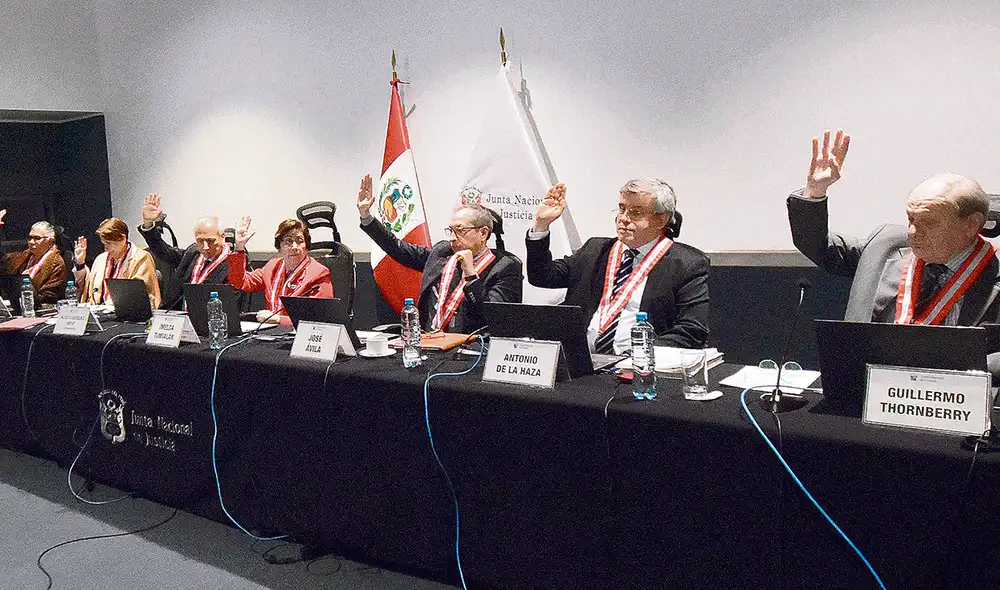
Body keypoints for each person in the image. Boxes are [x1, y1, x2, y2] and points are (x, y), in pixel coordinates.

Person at [787, 128, 1000, 328]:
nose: (913, 233)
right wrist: (816, 190)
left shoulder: (994, 277)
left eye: (928, 222)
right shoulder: (884, 246)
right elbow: (816, 244)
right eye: (911, 219)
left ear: (971, 225)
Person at [526, 178, 709, 353]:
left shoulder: (687, 265)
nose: (624, 218)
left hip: (638, 367)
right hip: (583, 362)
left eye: (636, 212)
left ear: (661, 220)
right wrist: (542, 224)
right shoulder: (595, 250)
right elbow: (542, 276)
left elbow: (691, 330)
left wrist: (639, 355)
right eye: (622, 209)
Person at [357, 174, 523, 332]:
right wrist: (366, 217)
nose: (452, 238)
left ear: (483, 233)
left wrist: (471, 276)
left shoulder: (504, 267)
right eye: (450, 230)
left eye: (460, 230)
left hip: (471, 347)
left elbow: (495, 318)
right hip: (431, 341)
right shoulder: (442, 252)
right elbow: (398, 248)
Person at [137, 193, 237, 310]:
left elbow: (232, 307)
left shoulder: (233, 264)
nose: (205, 247)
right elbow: (163, 251)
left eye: (210, 241)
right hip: (177, 317)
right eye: (200, 241)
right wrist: (148, 225)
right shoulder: (193, 252)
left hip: (209, 319)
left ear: (222, 236)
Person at [227, 216, 334, 325]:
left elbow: (320, 318)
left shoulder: (318, 273)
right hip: (271, 333)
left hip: (300, 335)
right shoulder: (272, 266)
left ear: (306, 247)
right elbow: (239, 282)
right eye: (288, 241)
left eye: (300, 241)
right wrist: (239, 247)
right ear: (280, 247)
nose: (294, 247)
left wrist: (279, 320)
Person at [73, 218, 161, 308]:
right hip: (98, 313)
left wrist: (106, 307)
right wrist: (80, 263)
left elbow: (140, 297)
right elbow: (86, 288)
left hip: (125, 316)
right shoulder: (101, 259)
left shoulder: (141, 258)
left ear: (123, 239)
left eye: (109, 243)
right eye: (104, 244)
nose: (105, 249)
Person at [0, 209, 68, 304]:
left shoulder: (57, 263)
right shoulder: (25, 256)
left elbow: (49, 297)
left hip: (41, 310)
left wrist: (27, 296)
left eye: (37, 238)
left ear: (50, 240)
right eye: (30, 238)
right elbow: (2, 261)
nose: (31, 242)